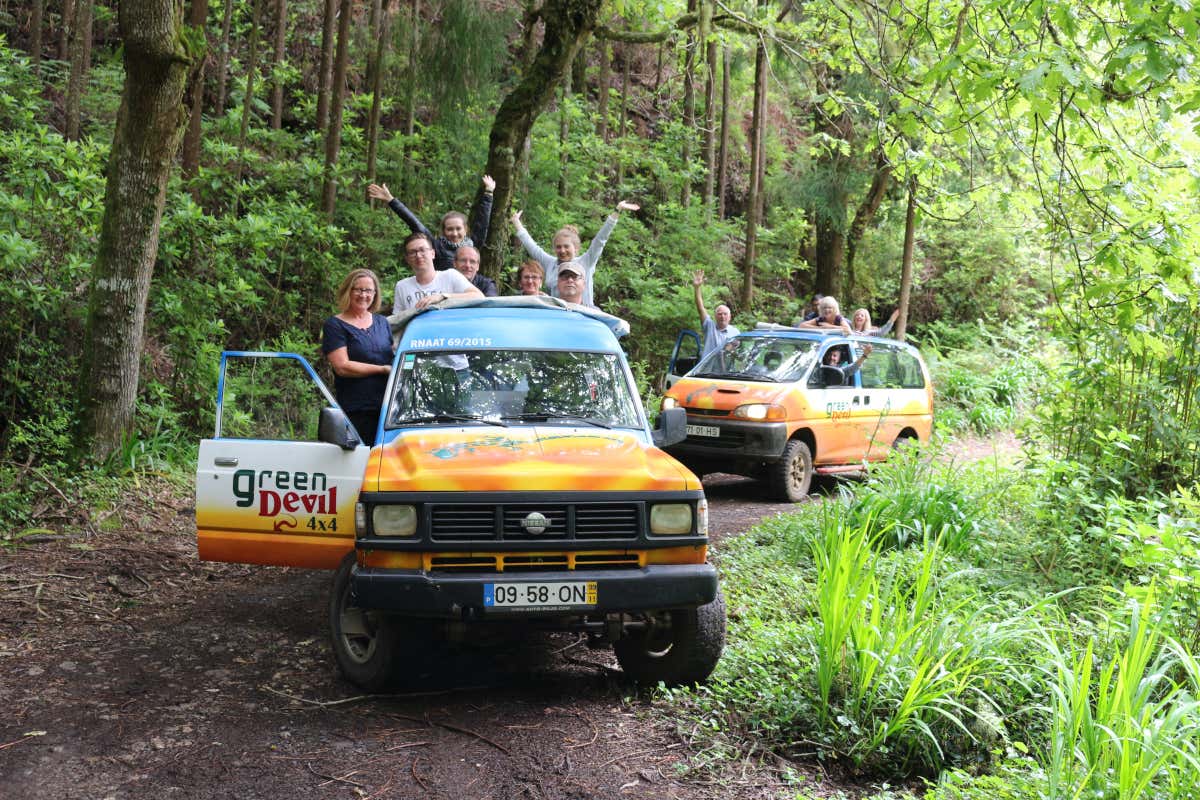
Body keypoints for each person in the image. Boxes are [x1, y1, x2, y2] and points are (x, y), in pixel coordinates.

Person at [510, 199, 639, 306]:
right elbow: (532, 247)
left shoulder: (586, 261)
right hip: (559, 314)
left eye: (566, 247)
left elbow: (600, 240)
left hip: (584, 313)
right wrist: (516, 223)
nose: (562, 250)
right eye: (558, 247)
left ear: (576, 248)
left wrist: (617, 211)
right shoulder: (550, 263)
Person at [322, 269, 394, 446]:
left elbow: (392, 356)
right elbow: (342, 367)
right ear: (348, 291)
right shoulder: (334, 325)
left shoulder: (382, 322)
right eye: (358, 290)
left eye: (369, 290)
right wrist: (382, 369)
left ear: (375, 294)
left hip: (388, 410)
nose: (363, 295)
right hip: (356, 409)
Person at [367, 175, 495, 272]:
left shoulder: (473, 244)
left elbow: (482, 221)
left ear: (465, 229)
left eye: (458, 229)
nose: (454, 233)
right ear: (443, 231)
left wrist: (489, 193)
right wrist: (391, 200)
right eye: (450, 229)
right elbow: (415, 223)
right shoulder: (436, 246)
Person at [393, 232, 484, 313]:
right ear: (407, 259)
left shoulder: (450, 276)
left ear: (433, 253)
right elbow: (397, 321)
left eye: (422, 250)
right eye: (412, 252)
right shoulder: (402, 286)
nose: (418, 255)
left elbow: (479, 297)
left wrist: (443, 297)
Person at [692, 270, 739, 357]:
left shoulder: (735, 332)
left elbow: (738, 353)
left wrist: (731, 348)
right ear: (715, 316)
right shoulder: (709, 326)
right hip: (706, 369)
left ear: (730, 317)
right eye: (720, 314)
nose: (722, 316)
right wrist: (697, 288)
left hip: (724, 370)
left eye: (725, 314)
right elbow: (700, 308)